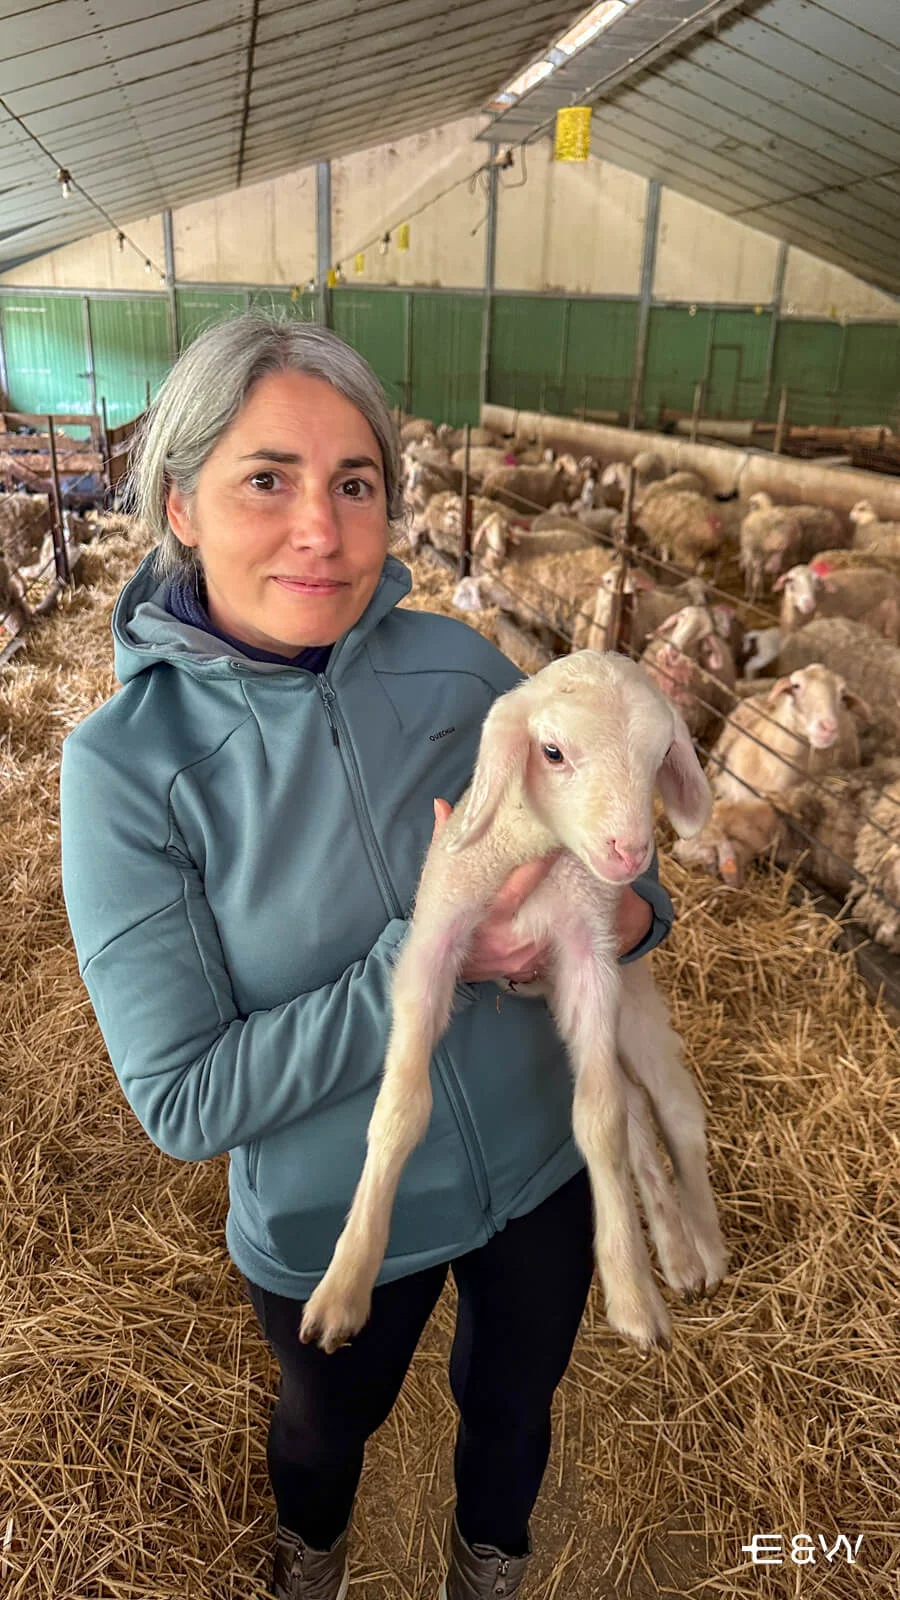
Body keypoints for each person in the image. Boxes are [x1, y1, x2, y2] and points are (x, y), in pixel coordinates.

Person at [60, 315, 674, 1600]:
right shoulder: (127, 769)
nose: (322, 531)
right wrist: (438, 957)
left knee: (515, 1409)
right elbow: (184, 1097)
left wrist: (611, 916)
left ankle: (487, 1562)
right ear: (180, 504)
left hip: (542, 1167)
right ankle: (313, 1558)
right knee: (323, 1431)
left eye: (356, 483)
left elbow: (627, 880)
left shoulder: (463, 671)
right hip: (333, 1215)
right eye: (266, 479)